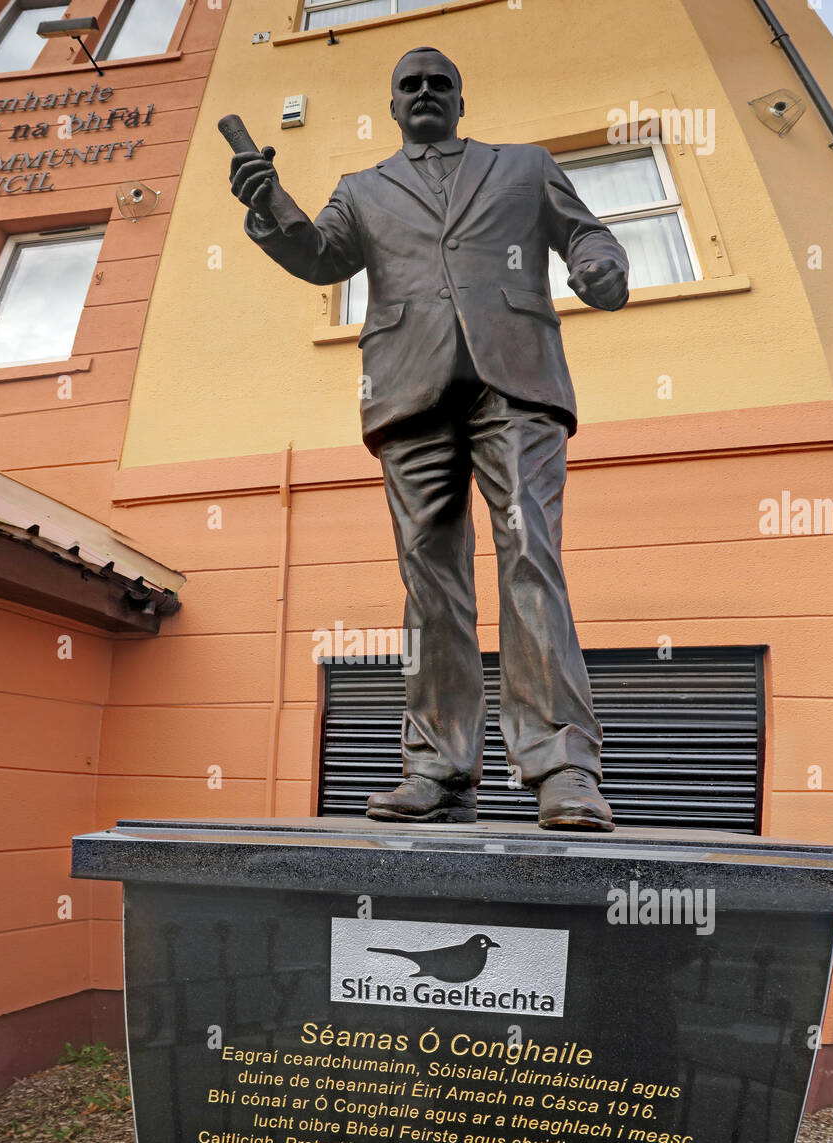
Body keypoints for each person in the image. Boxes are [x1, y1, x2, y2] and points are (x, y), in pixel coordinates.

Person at [228, 47, 629, 831]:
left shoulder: (523, 166)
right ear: (391, 105)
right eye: (407, 84)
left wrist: (601, 267)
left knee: (530, 556)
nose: (422, 92)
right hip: (408, 388)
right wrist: (266, 204)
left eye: (437, 83)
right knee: (429, 583)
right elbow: (319, 258)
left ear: (458, 99)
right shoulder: (362, 189)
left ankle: (563, 767)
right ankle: (438, 770)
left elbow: (586, 234)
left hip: (514, 379)